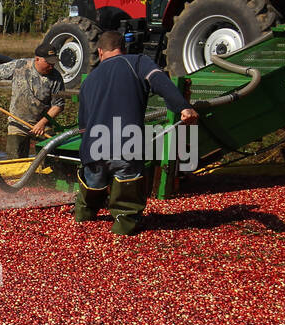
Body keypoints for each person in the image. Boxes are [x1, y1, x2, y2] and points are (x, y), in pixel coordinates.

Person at [75, 31, 200, 235]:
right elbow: (161, 82)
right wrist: (183, 107)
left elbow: (83, 123)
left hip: (93, 146)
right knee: (127, 195)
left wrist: (86, 147)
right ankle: (123, 228)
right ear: (123, 48)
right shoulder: (137, 62)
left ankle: (82, 219)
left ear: (99, 51)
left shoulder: (90, 78)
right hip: (125, 143)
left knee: (92, 188)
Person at [0, 42, 65, 160]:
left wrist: (42, 123)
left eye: (54, 62)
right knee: (14, 160)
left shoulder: (56, 78)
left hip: (42, 125)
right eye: (49, 62)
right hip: (18, 123)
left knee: (51, 158)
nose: (52, 66)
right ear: (37, 59)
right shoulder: (20, 66)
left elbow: (58, 105)